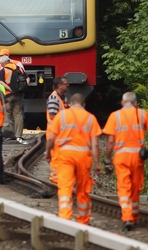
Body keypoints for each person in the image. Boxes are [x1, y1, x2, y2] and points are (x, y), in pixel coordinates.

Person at [45, 93, 102, 225]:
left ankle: (65, 219)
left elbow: (51, 138)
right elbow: (95, 144)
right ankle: (83, 221)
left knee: (65, 187)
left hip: (65, 156)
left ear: (69, 103)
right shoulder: (90, 118)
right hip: (83, 157)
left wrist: (47, 152)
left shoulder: (62, 116)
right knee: (83, 189)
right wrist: (97, 164)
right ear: (84, 105)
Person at [103, 92, 148, 231]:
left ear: (122, 102)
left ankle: (127, 218)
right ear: (136, 103)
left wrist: (107, 158)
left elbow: (110, 141)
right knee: (136, 187)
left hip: (121, 156)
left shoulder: (115, 116)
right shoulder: (142, 114)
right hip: (138, 156)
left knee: (124, 187)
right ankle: (134, 216)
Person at [0, 55, 28, 144]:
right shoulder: (19, 68)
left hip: (9, 95)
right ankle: (19, 135)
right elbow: (27, 78)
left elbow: (0, 81)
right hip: (19, 94)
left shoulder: (3, 70)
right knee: (18, 114)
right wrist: (23, 88)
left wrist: (10, 89)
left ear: (4, 63)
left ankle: (9, 133)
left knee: (7, 114)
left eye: (1, 64)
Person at [46, 76, 70, 184]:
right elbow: (52, 116)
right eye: (66, 83)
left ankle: (59, 178)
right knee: (55, 157)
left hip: (61, 133)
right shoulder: (54, 98)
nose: (68, 85)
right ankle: (55, 179)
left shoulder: (62, 98)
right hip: (55, 133)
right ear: (60, 86)